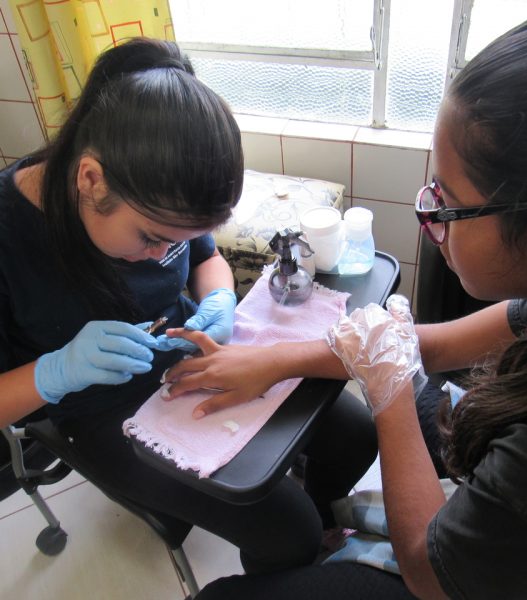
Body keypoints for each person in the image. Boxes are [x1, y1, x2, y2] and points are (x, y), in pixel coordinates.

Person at [159, 2, 527, 598]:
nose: (429, 216)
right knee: (392, 408)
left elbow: (428, 572)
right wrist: (274, 359)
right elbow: (433, 346)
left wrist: (389, 395)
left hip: (449, 579)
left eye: (449, 204)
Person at [0, 37, 377, 573]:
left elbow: (207, 258)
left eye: (173, 241)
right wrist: (56, 371)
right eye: (152, 238)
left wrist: (218, 299)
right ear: (90, 180)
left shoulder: (156, 188)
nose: (162, 254)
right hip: (101, 409)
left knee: (357, 437)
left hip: (189, 351)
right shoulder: (10, 237)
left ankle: (322, 524)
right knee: (289, 532)